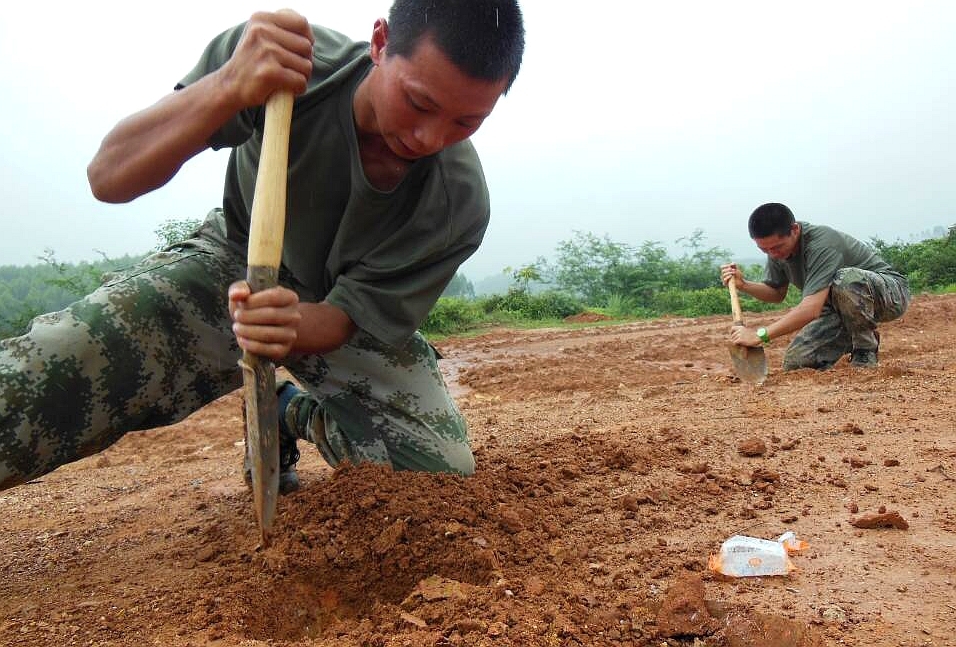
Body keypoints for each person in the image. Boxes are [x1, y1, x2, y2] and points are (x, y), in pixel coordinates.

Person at [0, 0, 525, 494]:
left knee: (435, 473)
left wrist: (290, 324)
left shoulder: (458, 201)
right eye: (418, 102)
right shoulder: (285, 64)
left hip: (325, 315)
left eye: (465, 121)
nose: (429, 138)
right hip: (228, 267)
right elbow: (109, 177)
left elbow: (349, 317)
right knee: (42, 379)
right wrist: (229, 84)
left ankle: (286, 409)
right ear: (381, 43)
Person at [720, 202, 910, 371]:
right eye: (764, 250)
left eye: (776, 247)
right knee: (797, 363)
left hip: (889, 295)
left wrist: (759, 335)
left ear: (794, 229)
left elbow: (810, 309)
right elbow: (776, 293)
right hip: (839, 308)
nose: (773, 254)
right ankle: (849, 339)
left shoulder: (822, 244)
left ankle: (865, 348)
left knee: (845, 279)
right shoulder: (777, 252)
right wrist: (744, 285)